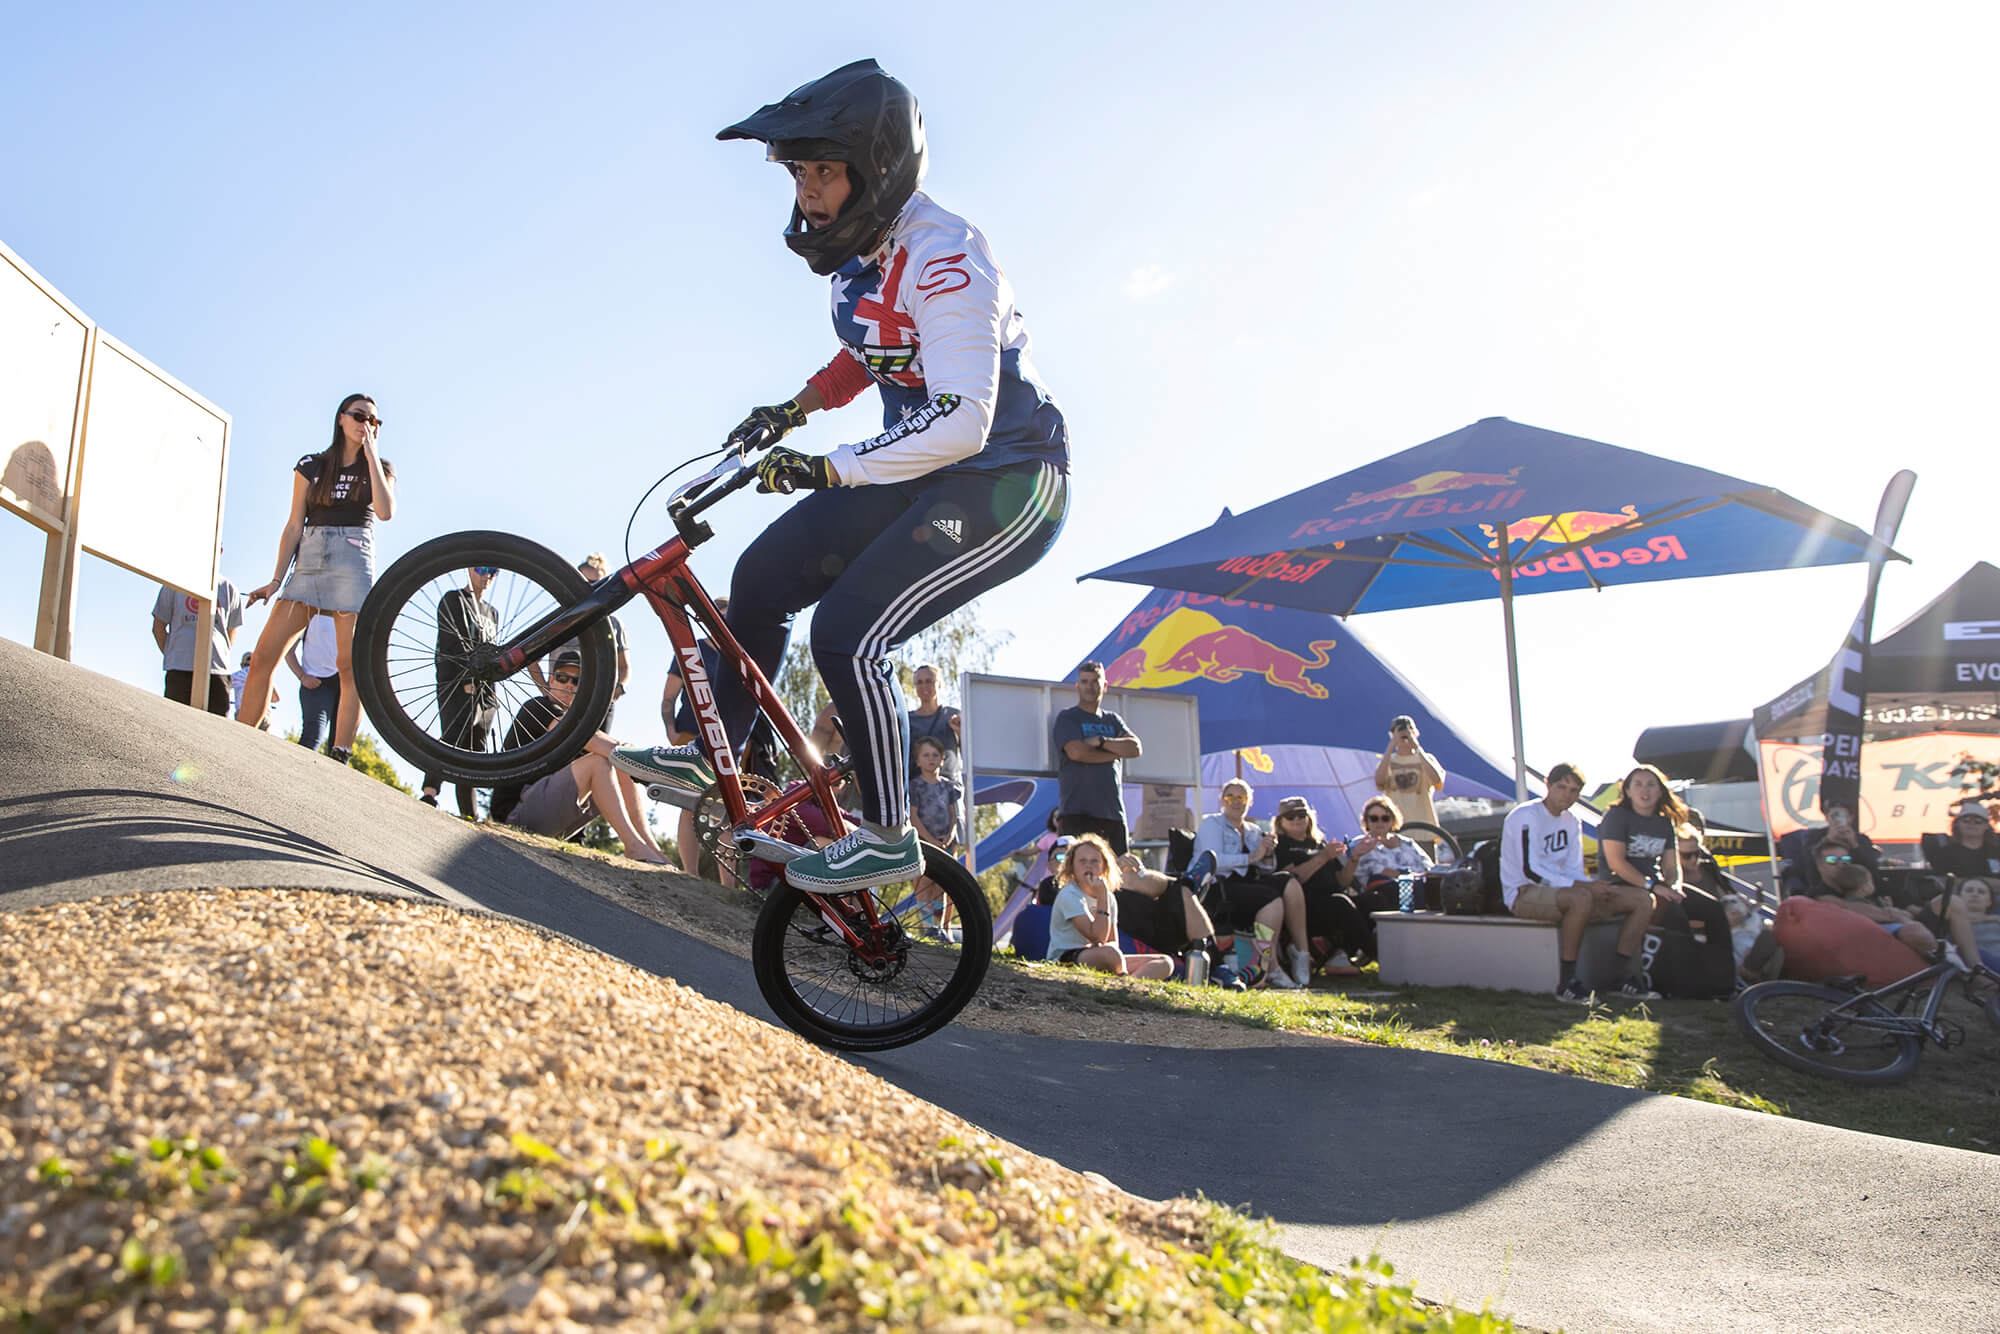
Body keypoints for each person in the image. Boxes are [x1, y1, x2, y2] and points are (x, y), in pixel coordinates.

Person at [613, 60, 1068, 897]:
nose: (810, 192)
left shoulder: (948, 258)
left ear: (880, 169)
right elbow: (873, 349)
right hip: (928, 467)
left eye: (825, 172)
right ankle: (718, 759)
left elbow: (965, 415)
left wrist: (829, 466)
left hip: (1006, 485)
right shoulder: (869, 250)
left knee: (850, 636)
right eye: (799, 173)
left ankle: (891, 836)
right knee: (761, 577)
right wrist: (794, 409)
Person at [236, 393, 396, 766]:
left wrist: (371, 455)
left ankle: (340, 752)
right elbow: (294, 524)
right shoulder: (312, 465)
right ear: (341, 419)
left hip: (352, 559)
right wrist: (276, 580)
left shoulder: (380, 466)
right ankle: (241, 737)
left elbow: (386, 512)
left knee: (348, 666)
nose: (366, 424)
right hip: (310, 558)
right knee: (263, 656)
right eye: (359, 416)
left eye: (374, 421)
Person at [488, 652, 669, 864]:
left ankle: (649, 845)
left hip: (551, 820)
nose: (568, 685)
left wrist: (634, 760)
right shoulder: (537, 708)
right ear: (551, 680)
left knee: (620, 762)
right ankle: (633, 845)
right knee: (602, 760)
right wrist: (651, 766)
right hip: (514, 815)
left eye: (576, 681)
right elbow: (580, 735)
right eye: (562, 678)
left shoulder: (580, 724)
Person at [1499, 762, 1658, 1003]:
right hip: (1524, 892)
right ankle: (1567, 983)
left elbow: (1574, 869)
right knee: (1581, 898)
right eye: (1561, 787)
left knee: (1643, 899)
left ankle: (1624, 978)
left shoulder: (1572, 820)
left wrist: (1594, 887)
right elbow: (1531, 871)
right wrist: (1584, 888)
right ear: (1548, 786)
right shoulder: (1524, 816)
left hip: (1564, 891)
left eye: (1574, 791)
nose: (1567, 795)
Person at [1192, 778, 1298, 987]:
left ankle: (1299, 953)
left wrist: (1268, 853)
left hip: (1243, 885)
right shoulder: (1211, 823)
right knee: (1271, 898)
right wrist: (1251, 858)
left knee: (1287, 882)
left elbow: (1266, 867)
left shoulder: (1252, 830)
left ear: (1249, 802)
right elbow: (1213, 862)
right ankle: (1268, 965)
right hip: (1215, 887)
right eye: (1230, 796)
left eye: (1241, 797)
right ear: (1222, 800)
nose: (1236, 801)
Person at [419, 566, 500, 816]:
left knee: (475, 750)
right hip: (455, 682)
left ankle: (469, 812)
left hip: (486, 690)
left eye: (493, 571)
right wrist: (465, 678)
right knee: (453, 737)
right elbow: (449, 642)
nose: (487, 575)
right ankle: (429, 792)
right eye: (481, 569)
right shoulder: (453, 599)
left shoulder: (492, 612)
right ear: (469, 570)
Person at [1044, 836, 1173, 980]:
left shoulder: (1108, 896)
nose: (1088, 866)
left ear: (1104, 867)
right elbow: (1097, 936)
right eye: (1082, 861)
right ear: (1072, 866)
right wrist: (1102, 898)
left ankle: (1127, 987)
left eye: (1094, 861)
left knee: (1164, 962)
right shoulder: (1070, 894)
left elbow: (1112, 941)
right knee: (1110, 954)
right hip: (1066, 958)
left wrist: (1103, 896)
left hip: (1101, 955)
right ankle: (1122, 982)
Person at [1268, 795, 1368, 979]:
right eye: (1290, 817)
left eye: (1301, 815)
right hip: (1304, 908)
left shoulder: (1319, 843)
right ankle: (1374, 951)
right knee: (1340, 904)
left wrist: (1355, 858)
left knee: (1371, 900)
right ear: (1280, 822)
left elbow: (1342, 881)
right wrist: (1323, 857)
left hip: (1333, 899)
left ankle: (1350, 952)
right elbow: (1292, 879)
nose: (1297, 820)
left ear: (1309, 818)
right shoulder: (1280, 846)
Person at [1051, 661, 1140, 854]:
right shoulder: (1068, 718)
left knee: (1119, 876)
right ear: (1077, 686)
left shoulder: (1113, 720)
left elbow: (1134, 748)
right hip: (1076, 813)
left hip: (1112, 814)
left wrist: (1100, 741)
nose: (1090, 686)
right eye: (1084, 681)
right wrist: (1115, 753)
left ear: (1105, 686)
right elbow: (1076, 752)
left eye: (1095, 681)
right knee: (1076, 875)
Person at [540, 553, 631, 727]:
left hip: (592, 703)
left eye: (595, 584)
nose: (588, 589)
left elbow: (624, 666)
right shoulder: (561, 618)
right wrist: (546, 690)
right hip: (557, 701)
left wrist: (616, 691)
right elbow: (531, 659)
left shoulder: (613, 623)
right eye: (583, 583)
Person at [152, 578, 244, 715]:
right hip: (180, 669)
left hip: (217, 671)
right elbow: (158, 627)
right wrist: (175, 655)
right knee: (175, 722)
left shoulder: (229, 588)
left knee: (215, 728)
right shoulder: (173, 584)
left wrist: (213, 656)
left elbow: (230, 632)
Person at [1374, 715, 1443, 831]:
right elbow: (1379, 782)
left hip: (1424, 828)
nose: (1404, 734)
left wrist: (1417, 747)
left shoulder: (1427, 759)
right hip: (1396, 829)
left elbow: (1437, 781)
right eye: (1399, 730)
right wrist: (1392, 744)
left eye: (1408, 729)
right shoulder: (1387, 762)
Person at [284, 613, 341, 753]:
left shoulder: (350, 609)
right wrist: (302, 676)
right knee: (312, 737)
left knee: (339, 747)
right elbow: (288, 650)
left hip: (346, 685)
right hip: (317, 684)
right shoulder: (311, 611)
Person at [907, 663, 962, 780]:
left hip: (948, 788)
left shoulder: (953, 715)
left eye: (929, 681)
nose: (924, 686)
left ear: (939, 684)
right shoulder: (907, 720)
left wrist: (959, 731)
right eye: (919, 682)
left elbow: (970, 752)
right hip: (917, 789)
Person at [1927, 802, 2000, 878]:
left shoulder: (1996, 853)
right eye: (1966, 820)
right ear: (1957, 824)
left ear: (1986, 826)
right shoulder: (1945, 854)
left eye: (1978, 821)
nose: (1972, 824)